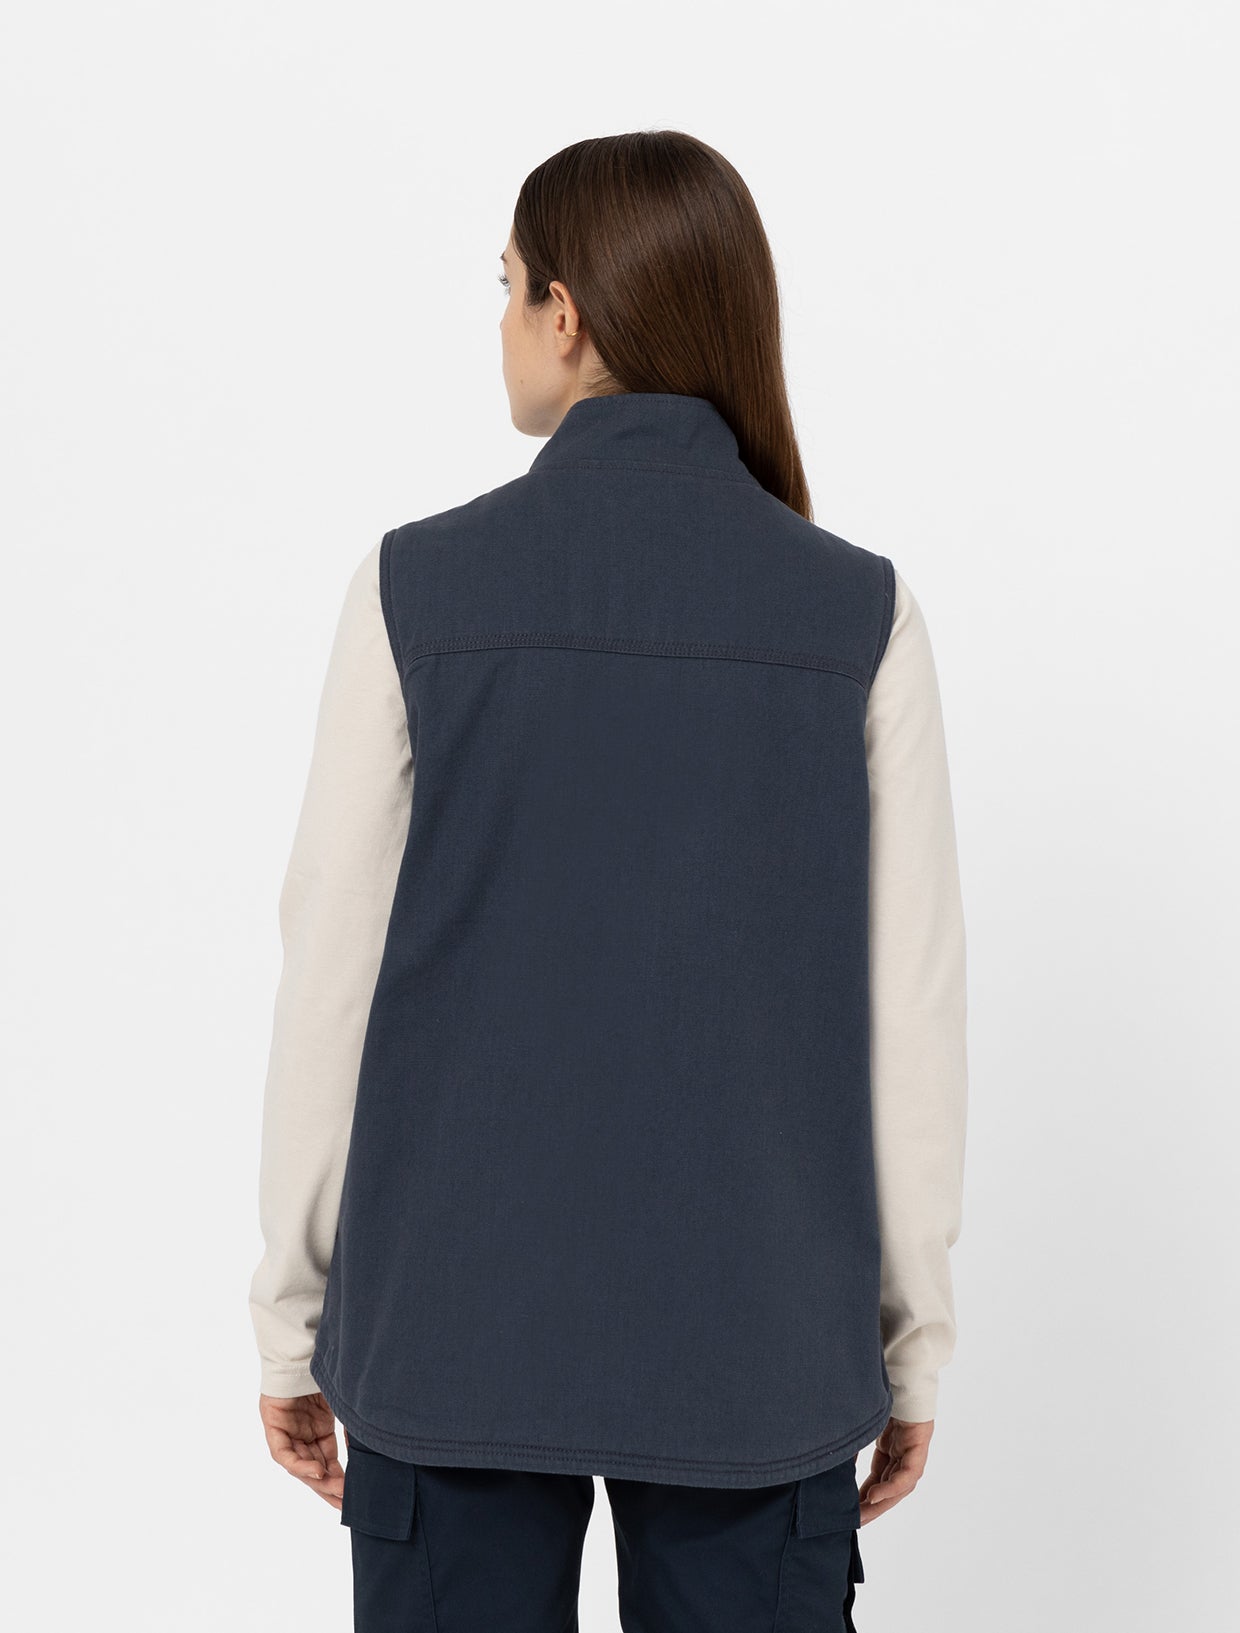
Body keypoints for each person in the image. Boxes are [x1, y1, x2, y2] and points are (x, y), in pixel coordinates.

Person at [248, 129, 968, 1633]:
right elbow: (911, 1017)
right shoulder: (860, 614)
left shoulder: (414, 589)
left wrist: (290, 1314)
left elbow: (332, 974)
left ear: (565, 313)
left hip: (451, 1324)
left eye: (508, 284)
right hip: (759, 1345)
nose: (503, 319)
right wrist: (911, 1346)